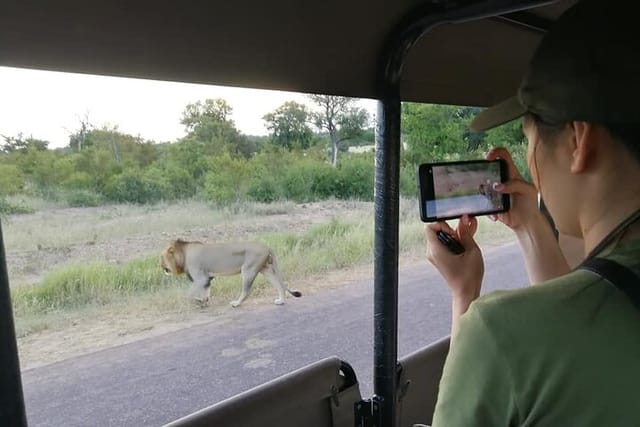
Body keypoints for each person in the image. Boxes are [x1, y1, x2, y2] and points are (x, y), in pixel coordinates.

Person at [425, 0, 640, 425]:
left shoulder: (499, 334)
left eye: (529, 136)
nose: (531, 158)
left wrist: (465, 294)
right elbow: (590, 307)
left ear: (578, 140)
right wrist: (529, 226)